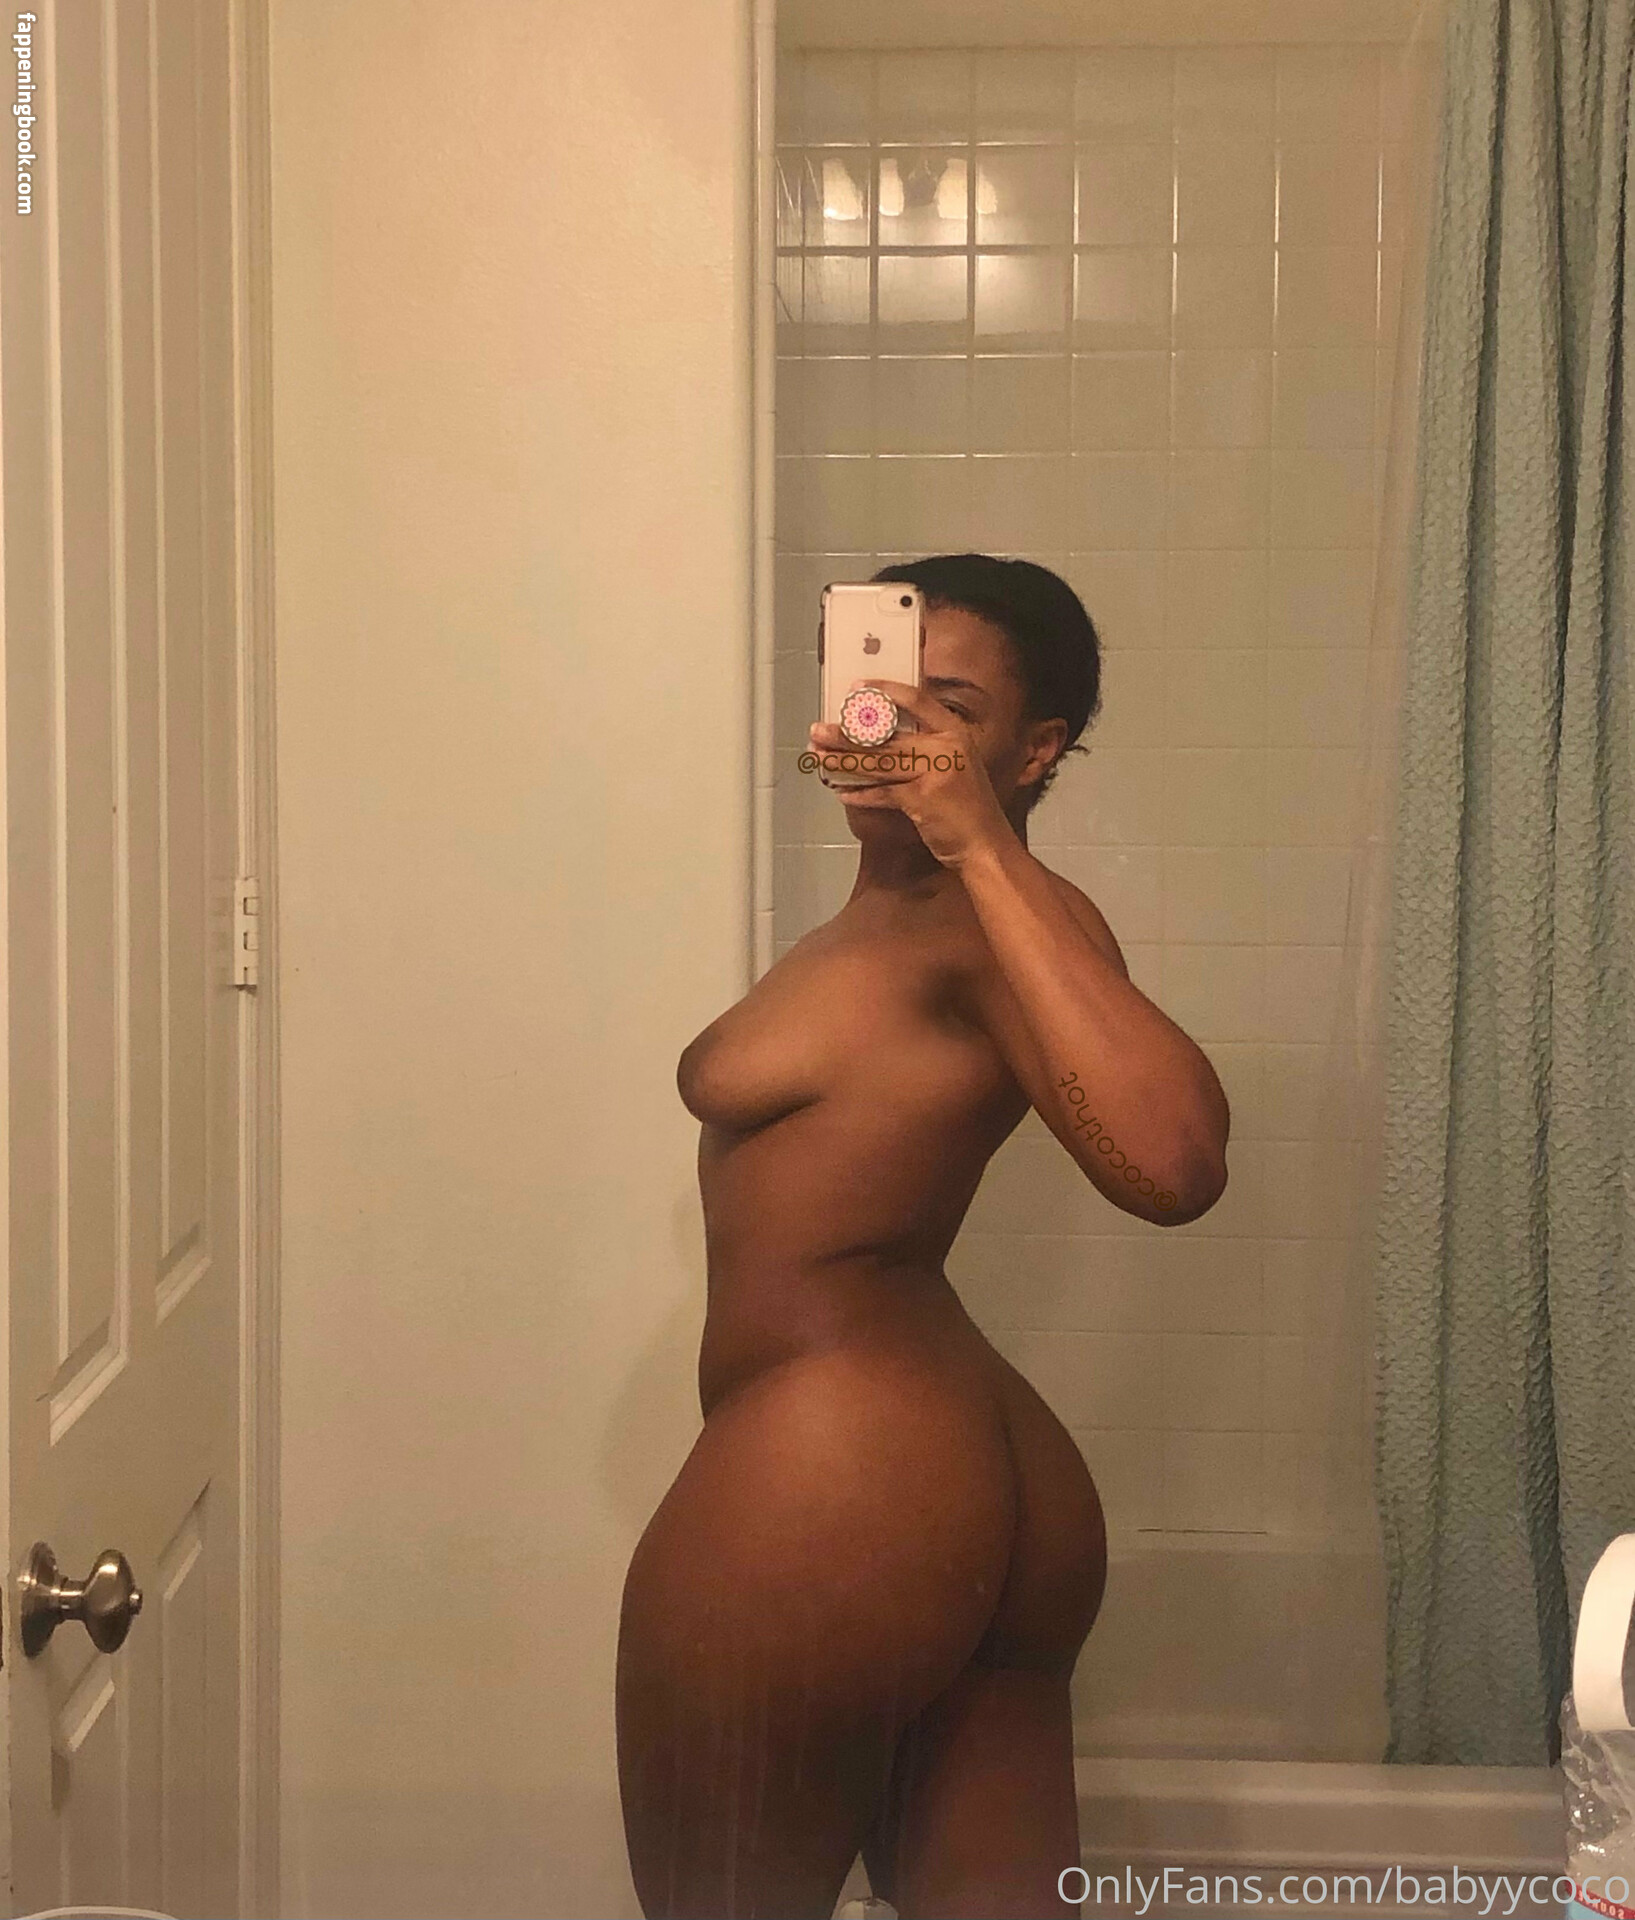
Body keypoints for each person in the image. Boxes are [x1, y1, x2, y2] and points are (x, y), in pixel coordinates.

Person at [616, 553, 1230, 1920]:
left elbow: (1175, 1165)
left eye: (949, 705)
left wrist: (979, 844)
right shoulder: (892, 918)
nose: (899, 725)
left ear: (1034, 750)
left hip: (842, 1463)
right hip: (956, 1454)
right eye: (880, 687)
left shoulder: (993, 917)